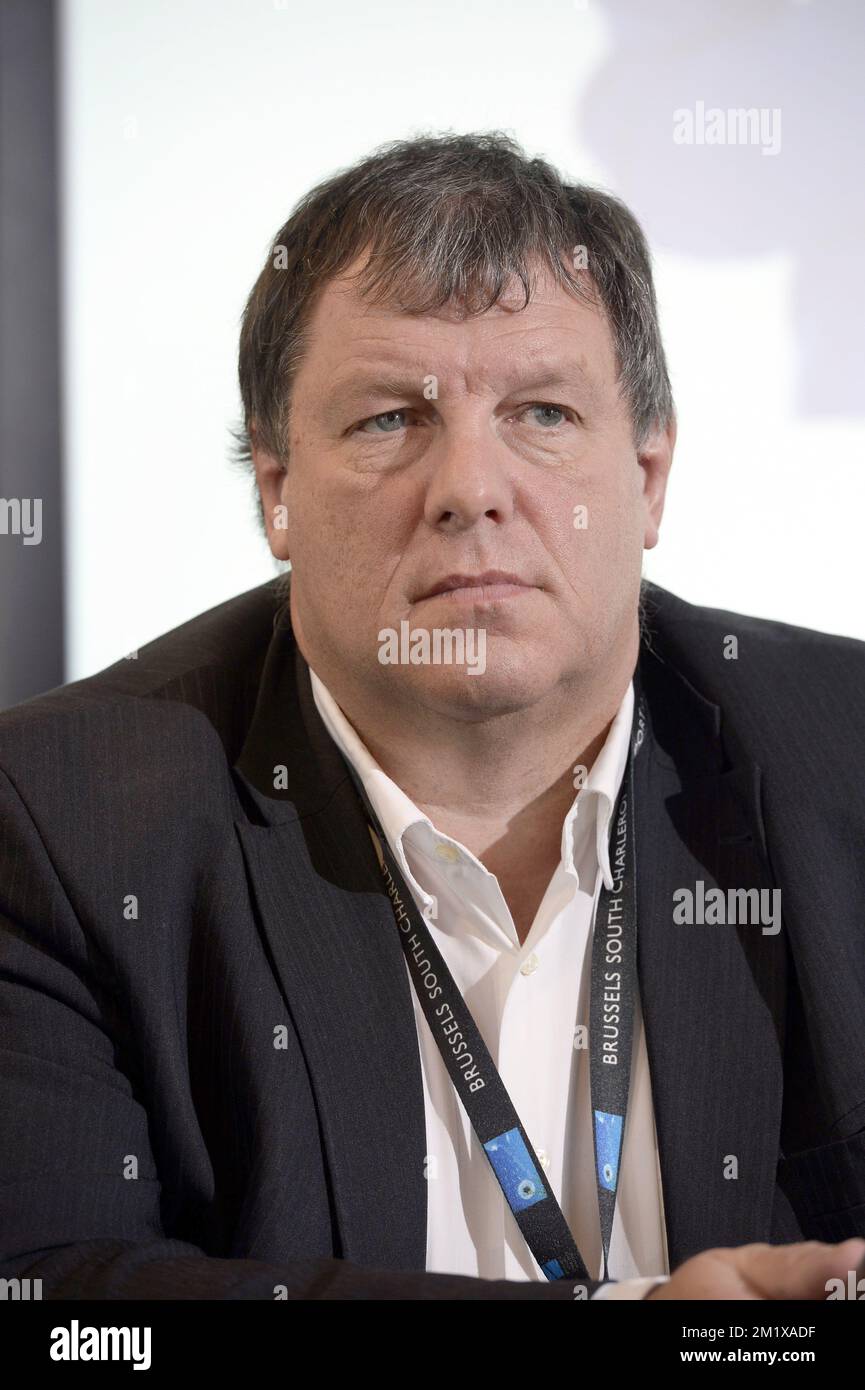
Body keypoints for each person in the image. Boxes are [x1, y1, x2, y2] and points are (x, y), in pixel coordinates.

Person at [1, 132, 863, 1302]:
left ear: (648, 476)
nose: (469, 486)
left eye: (543, 412)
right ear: (276, 491)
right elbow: (52, 1297)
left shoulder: (842, 757)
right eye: (386, 422)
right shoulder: (58, 822)